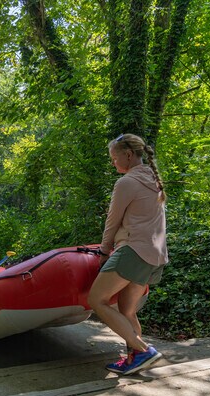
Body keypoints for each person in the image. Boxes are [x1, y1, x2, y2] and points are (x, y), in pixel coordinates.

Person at [87, 133, 168, 375]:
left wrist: (103, 251)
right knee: (127, 310)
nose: (113, 163)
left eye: (114, 158)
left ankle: (142, 350)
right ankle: (135, 359)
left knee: (96, 300)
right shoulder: (153, 178)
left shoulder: (127, 183)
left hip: (133, 250)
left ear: (128, 155)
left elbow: (112, 222)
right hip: (154, 254)